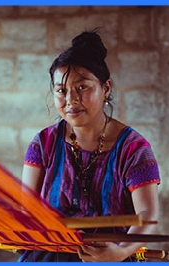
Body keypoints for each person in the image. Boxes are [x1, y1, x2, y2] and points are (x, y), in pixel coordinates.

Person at [19, 29, 161, 262]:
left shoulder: (133, 149)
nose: (71, 100)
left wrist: (122, 251)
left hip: (110, 255)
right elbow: (28, 211)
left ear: (105, 88)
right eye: (61, 91)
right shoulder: (43, 144)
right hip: (49, 253)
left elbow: (147, 216)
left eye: (82, 87)